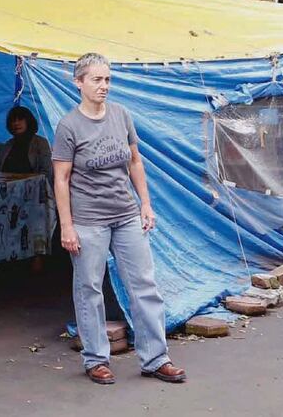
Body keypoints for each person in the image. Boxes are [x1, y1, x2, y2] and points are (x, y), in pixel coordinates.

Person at [52, 53, 185, 386]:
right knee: (89, 289)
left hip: (126, 215)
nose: (104, 86)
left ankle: (156, 359)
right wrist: (67, 226)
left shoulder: (121, 115)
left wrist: (146, 204)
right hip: (89, 221)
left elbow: (135, 162)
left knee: (144, 286)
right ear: (78, 82)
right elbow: (61, 179)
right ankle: (96, 359)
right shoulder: (69, 126)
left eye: (108, 79)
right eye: (96, 79)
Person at [0, 106, 51, 174]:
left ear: (28, 121)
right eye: (13, 121)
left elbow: (46, 172)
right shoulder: (8, 144)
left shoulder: (41, 143)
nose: (16, 123)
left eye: (20, 119)